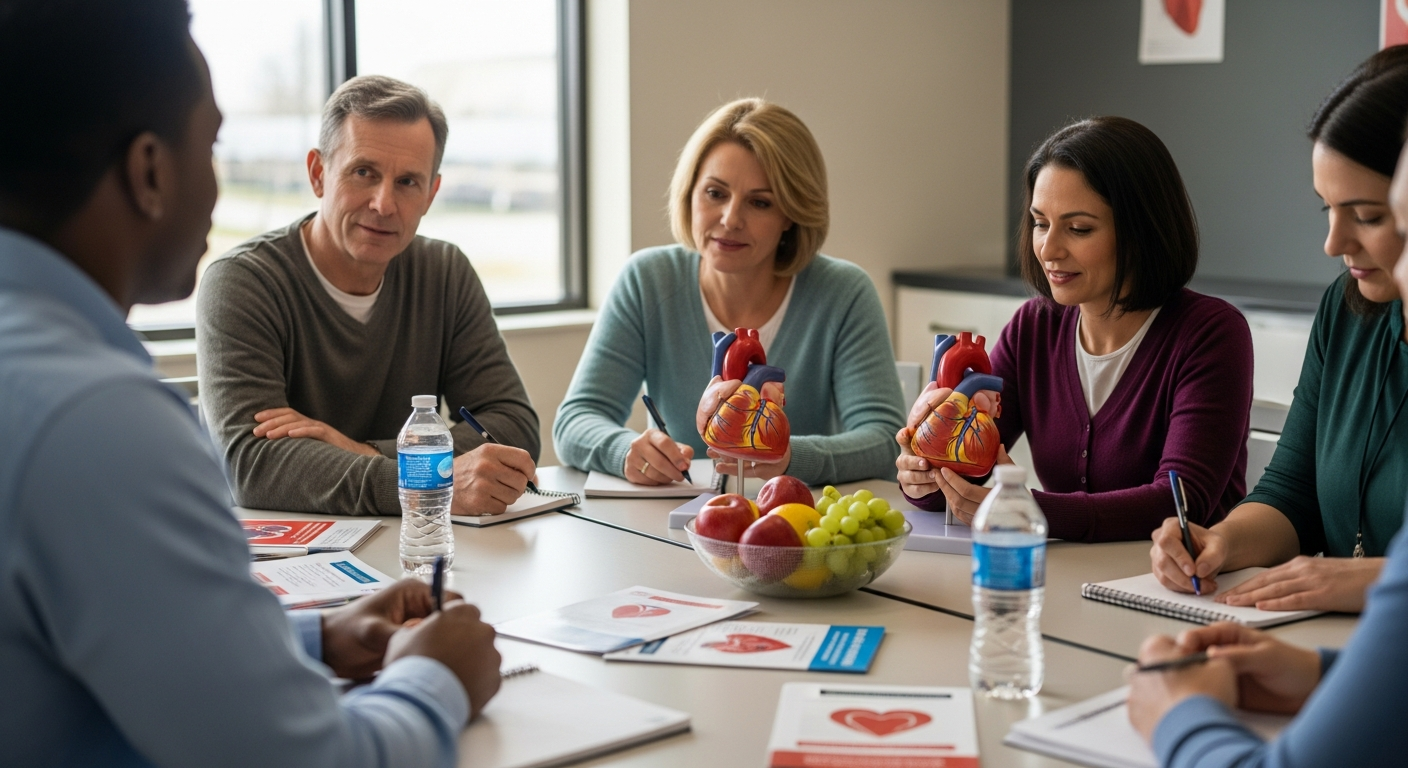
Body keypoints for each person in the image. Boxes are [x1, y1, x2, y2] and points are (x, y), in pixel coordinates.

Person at [0, 2, 501, 765]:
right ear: (149, 172)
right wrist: (437, 676)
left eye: (408, 180)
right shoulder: (98, 422)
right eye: (212, 144)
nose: (219, 182)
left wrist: (312, 638)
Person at [897, 116, 1254, 542]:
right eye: (1040, 223)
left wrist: (1029, 509)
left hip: (1180, 590)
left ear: (1141, 232)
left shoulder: (1210, 334)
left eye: (1078, 228)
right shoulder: (1035, 327)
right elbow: (965, 464)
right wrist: (923, 476)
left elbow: (1178, 502)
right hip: (1067, 582)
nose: (1048, 249)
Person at [197, 74, 539, 517]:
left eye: (408, 182)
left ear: (431, 194)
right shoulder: (243, 283)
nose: (383, 203)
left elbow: (513, 428)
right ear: (318, 174)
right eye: (364, 172)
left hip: (416, 546)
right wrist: (427, 481)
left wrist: (363, 452)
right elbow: (252, 466)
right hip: (284, 561)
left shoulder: (444, 273)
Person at [1150, 47, 1408, 612]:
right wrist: (1221, 541)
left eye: (1365, 216)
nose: (1333, 243)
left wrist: (1366, 583)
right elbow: (1293, 493)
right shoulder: (1346, 310)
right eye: (1327, 210)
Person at [552, 98, 906, 486]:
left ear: (791, 214)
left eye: (760, 202)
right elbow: (575, 420)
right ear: (690, 193)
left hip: (795, 527)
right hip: (672, 524)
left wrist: (789, 458)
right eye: (715, 194)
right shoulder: (646, 280)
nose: (731, 219)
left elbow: (883, 440)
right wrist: (625, 451)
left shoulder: (844, 293)